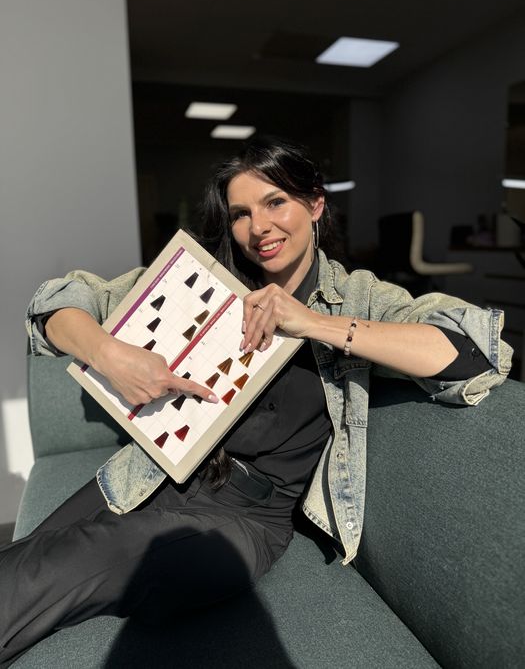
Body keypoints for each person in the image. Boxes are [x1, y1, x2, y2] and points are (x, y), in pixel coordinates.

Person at [0, 137, 512, 666]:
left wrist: (313, 323)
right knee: (29, 556)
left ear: (315, 205)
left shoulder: (358, 297)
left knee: (69, 561)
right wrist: (110, 355)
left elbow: (473, 353)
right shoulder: (208, 280)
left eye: (275, 203)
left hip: (245, 518)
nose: (258, 227)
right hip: (154, 473)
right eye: (241, 213)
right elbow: (56, 303)